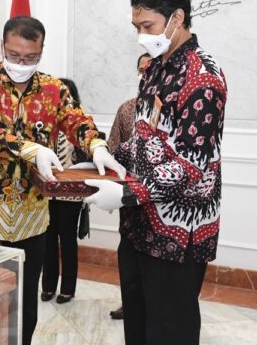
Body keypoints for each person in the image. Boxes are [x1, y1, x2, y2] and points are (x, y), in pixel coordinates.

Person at [0, 16, 125, 345]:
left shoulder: (52, 89)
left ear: (41, 51)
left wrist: (97, 145)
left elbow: (77, 121)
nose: (21, 64)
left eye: (30, 58)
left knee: (24, 305)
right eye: (14, 55)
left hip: (32, 216)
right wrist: (29, 149)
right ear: (2, 47)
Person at [83, 0, 227, 345]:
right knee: (138, 323)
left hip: (179, 235)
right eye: (137, 27)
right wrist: (107, 161)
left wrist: (126, 195)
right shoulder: (154, 69)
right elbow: (146, 138)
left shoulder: (203, 78)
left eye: (147, 26)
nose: (141, 35)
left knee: (169, 330)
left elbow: (190, 166)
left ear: (176, 18)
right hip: (138, 228)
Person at [108, 52, 152, 320]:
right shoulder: (126, 109)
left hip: (161, 200)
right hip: (129, 199)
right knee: (129, 254)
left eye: (151, 68)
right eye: (141, 69)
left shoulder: (172, 107)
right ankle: (130, 303)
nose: (145, 73)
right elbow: (112, 148)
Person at [40, 78, 89, 305]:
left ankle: (67, 288)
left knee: (68, 240)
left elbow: (86, 157)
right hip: (47, 191)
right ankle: (48, 285)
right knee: (48, 240)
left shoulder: (80, 124)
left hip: (71, 193)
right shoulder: (45, 122)